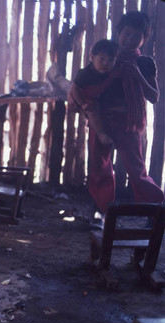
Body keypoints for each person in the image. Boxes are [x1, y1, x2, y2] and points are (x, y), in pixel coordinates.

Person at [83, 11, 163, 225]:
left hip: (129, 124)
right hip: (102, 123)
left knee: (137, 172)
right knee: (99, 168)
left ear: (144, 40)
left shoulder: (145, 63)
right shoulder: (107, 56)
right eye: (126, 34)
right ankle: (100, 213)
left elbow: (154, 97)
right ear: (118, 33)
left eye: (136, 36)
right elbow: (87, 85)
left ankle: (155, 213)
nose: (130, 40)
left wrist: (137, 76)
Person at [70, 39, 119, 146]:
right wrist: (83, 104)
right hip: (86, 98)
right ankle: (101, 134)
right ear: (92, 57)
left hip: (100, 101)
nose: (106, 63)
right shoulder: (85, 73)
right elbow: (74, 89)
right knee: (93, 112)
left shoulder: (112, 74)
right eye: (102, 59)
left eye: (111, 60)